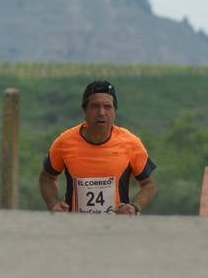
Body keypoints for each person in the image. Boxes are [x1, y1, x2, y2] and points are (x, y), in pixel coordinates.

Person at [39, 80, 156, 215]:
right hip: (75, 227)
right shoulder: (64, 142)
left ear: (114, 111)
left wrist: (134, 207)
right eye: (95, 106)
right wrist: (53, 204)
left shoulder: (131, 143)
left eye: (107, 107)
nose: (101, 112)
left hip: (116, 227)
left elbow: (149, 184)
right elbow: (47, 177)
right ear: (84, 110)